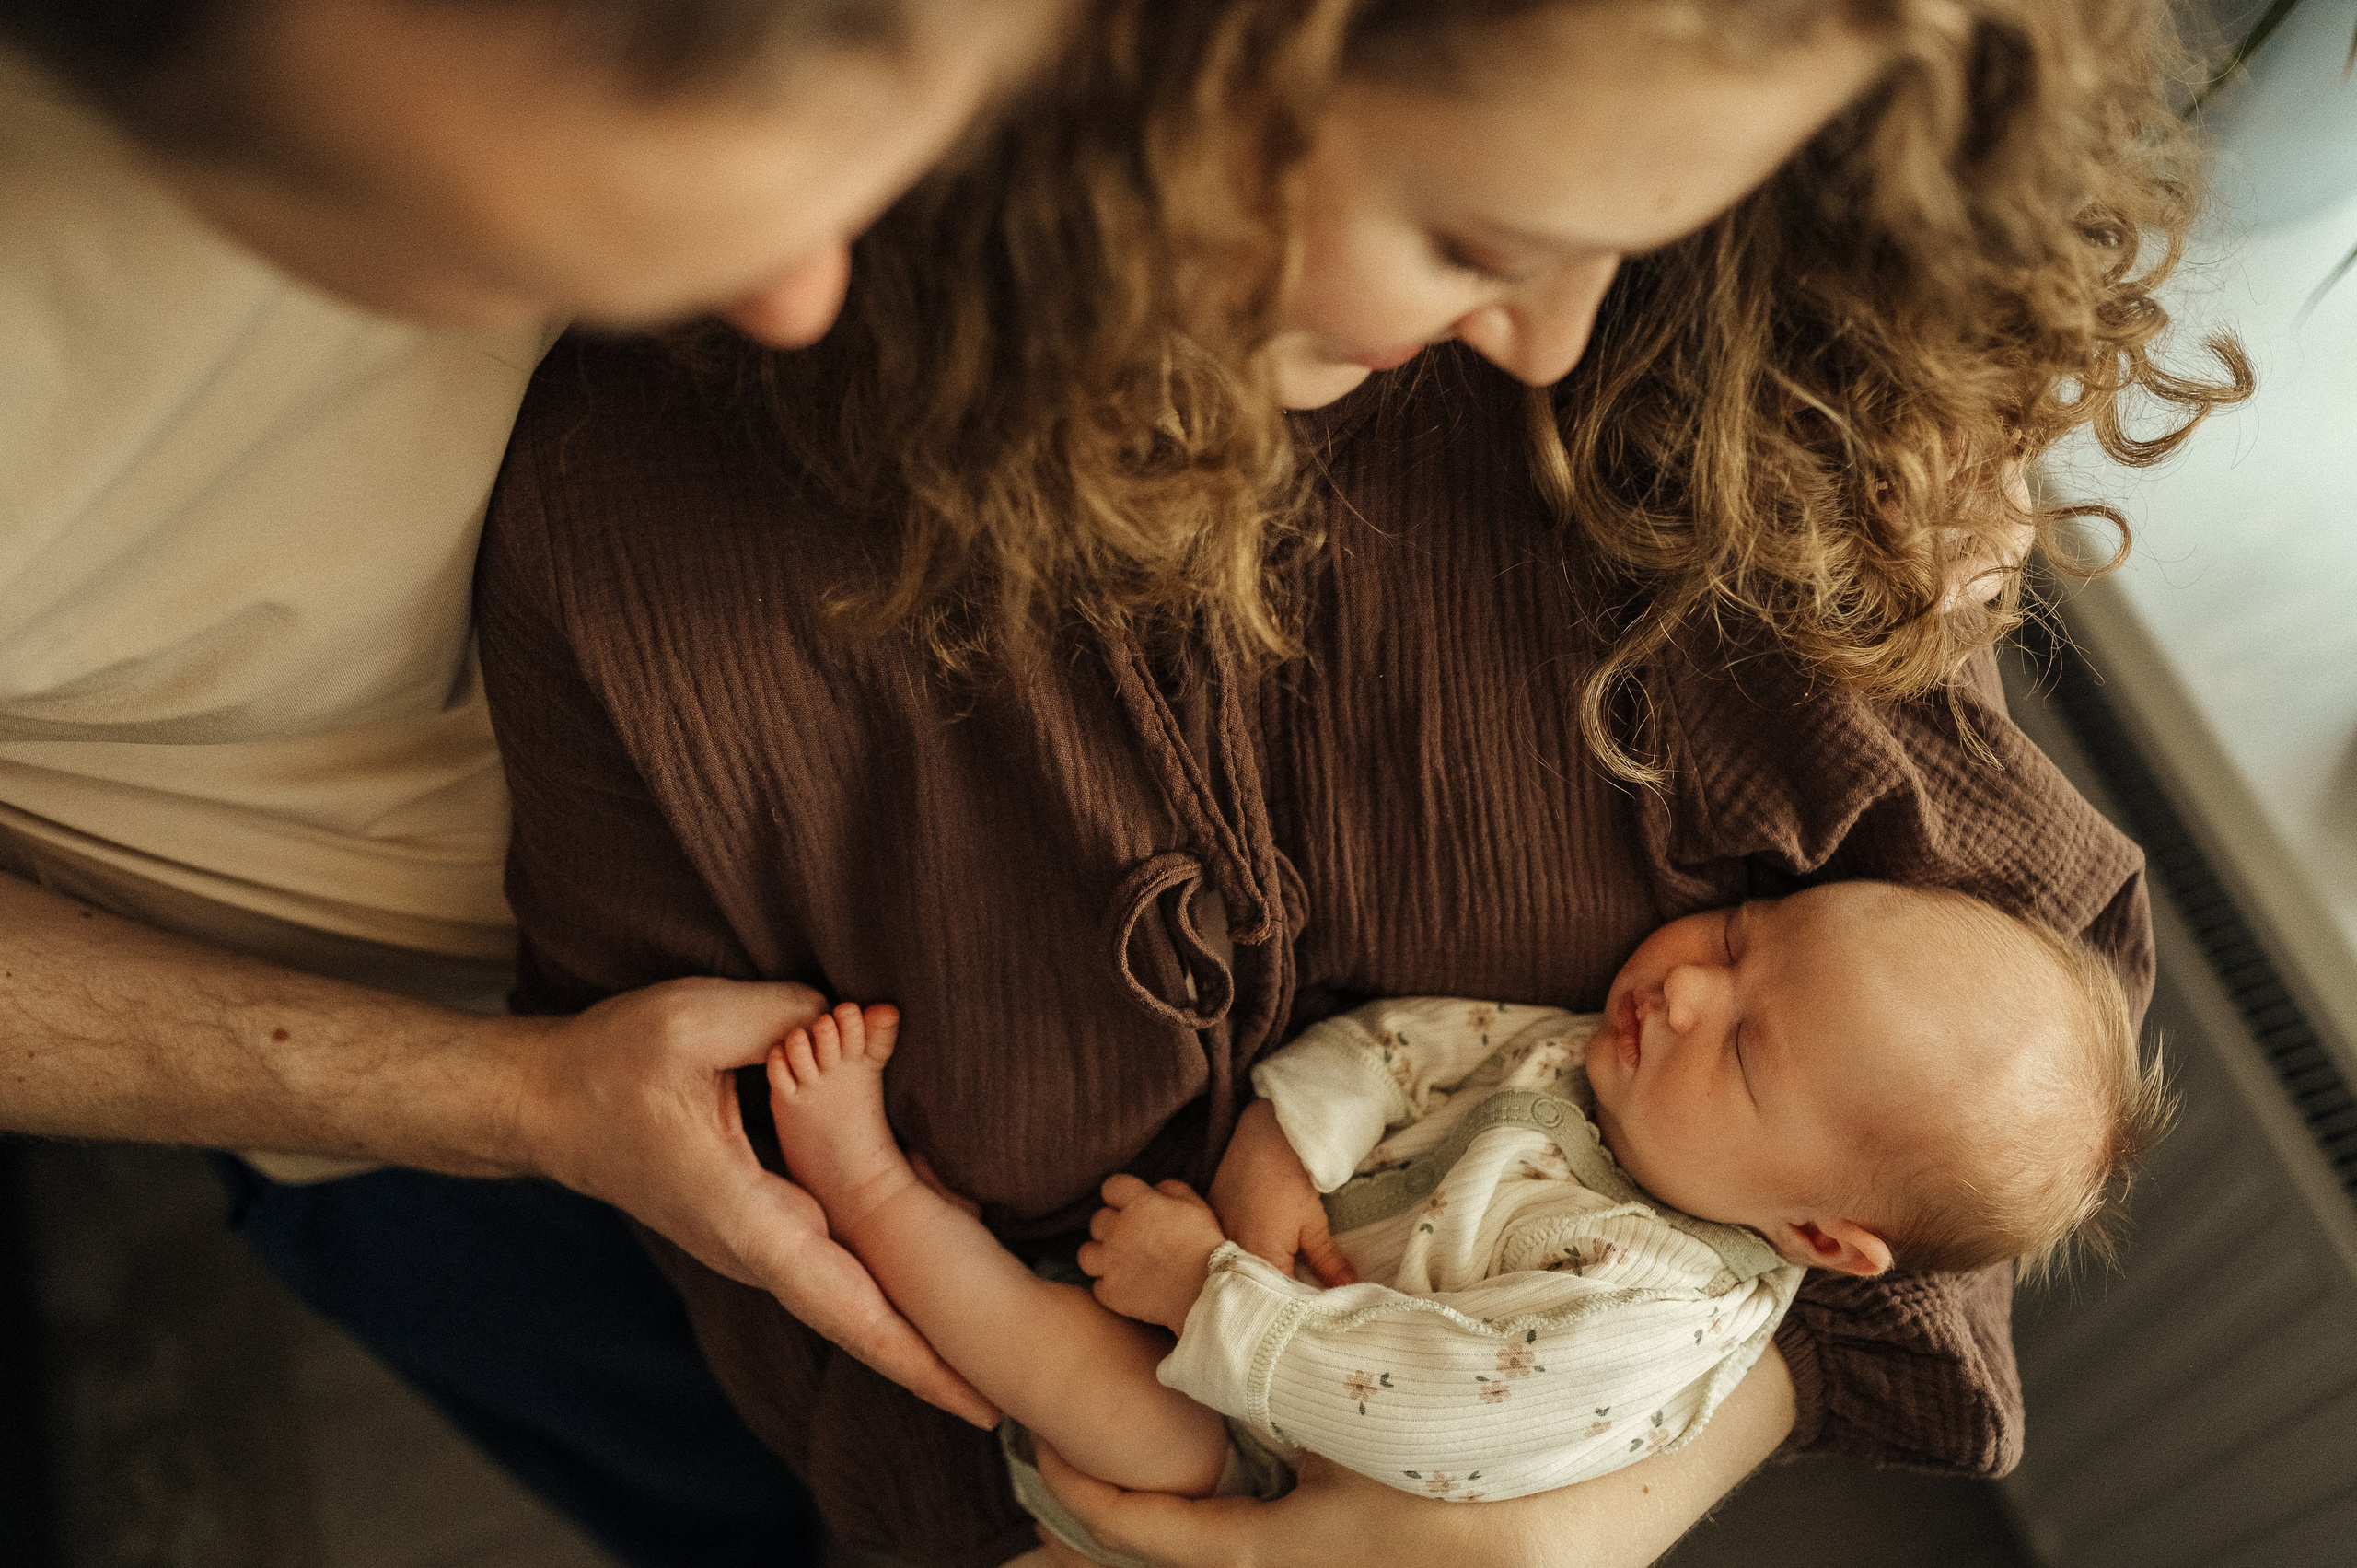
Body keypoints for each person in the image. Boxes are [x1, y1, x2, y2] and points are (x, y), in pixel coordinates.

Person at [474, 0, 2246, 1562]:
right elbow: (729, 1204)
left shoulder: (1728, 417)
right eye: (1479, 231)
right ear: (1165, 93)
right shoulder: (645, 546)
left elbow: (1982, 1063)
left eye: (1623, 233)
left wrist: (1569, 1523)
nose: (1550, 334)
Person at [0, 1, 1068, 1562]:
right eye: (522, 264)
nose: (805, 289)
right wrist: (515, 1108)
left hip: (963, 839)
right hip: (442, 1074)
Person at [758, 880, 2163, 1562]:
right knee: (1077, 1378)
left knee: (1119, 1404)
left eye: (1744, 1046)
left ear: (1818, 1236)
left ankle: (874, 1195)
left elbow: (1433, 1403)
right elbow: (1407, 1047)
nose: (1685, 991)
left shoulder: (1656, 1305)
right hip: (1248, 1382)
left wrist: (1209, 1296)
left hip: (1271, 1473)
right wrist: (1282, 1145)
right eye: (1742, 934)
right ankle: (895, 1205)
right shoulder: (1603, 1066)